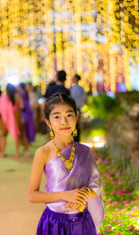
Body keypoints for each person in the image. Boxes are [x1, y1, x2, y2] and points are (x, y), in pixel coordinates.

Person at [28, 93, 104, 235]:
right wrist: (65, 195)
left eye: (69, 115)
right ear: (48, 122)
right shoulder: (43, 152)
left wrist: (85, 192)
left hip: (82, 221)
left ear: (76, 117)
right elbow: (32, 195)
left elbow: (95, 184)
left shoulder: (84, 151)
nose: (64, 121)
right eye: (56, 116)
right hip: (54, 223)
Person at [70, 74, 86, 142]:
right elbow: (85, 99)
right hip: (79, 108)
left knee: (73, 125)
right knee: (77, 125)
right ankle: (77, 140)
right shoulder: (81, 88)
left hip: (74, 108)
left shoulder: (73, 88)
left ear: (76, 79)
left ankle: (74, 140)